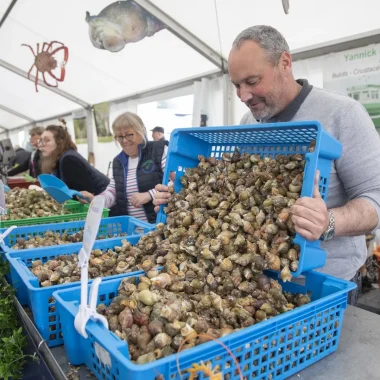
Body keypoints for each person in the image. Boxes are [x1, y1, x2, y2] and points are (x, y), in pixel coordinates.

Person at [153, 25, 380, 305]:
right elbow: (233, 194)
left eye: (252, 80)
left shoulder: (343, 114)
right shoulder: (248, 124)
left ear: (284, 63)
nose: (243, 95)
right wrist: (180, 199)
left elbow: (375, 197)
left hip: (327, 287)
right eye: (236, 85)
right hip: (255, 284)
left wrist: (329, 221)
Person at [81, 112, 167, 224]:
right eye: (120, 137)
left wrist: (149, 194)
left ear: (140, 131)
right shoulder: (118, 161)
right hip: (133, 231)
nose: (125, 140)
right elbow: (112, 191)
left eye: (129, 135)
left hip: (159, 227)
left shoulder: (159, 150)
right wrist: (96, 200)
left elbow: (173, 183)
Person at [39, 125, 109, 195]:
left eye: (46, 140)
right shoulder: (60, 157)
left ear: (60, 141)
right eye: (41, 140)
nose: (41, 145)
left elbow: (85, 194)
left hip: (106, 201)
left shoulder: (69, 159)